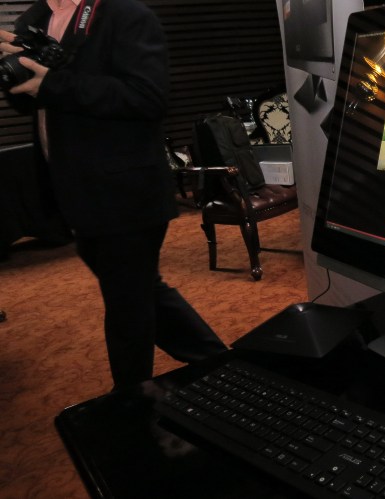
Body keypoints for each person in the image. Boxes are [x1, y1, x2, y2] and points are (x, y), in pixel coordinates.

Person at [0, 0, 228, 390]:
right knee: (138, 291)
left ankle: (131, 401)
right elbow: (28, 99)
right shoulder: (35, 18)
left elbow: (148, 97)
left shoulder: (126, 15)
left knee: (127, 306)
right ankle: (221, 366)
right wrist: (14, 74)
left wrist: (52, 84)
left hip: (125, 190)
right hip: (74, 189)